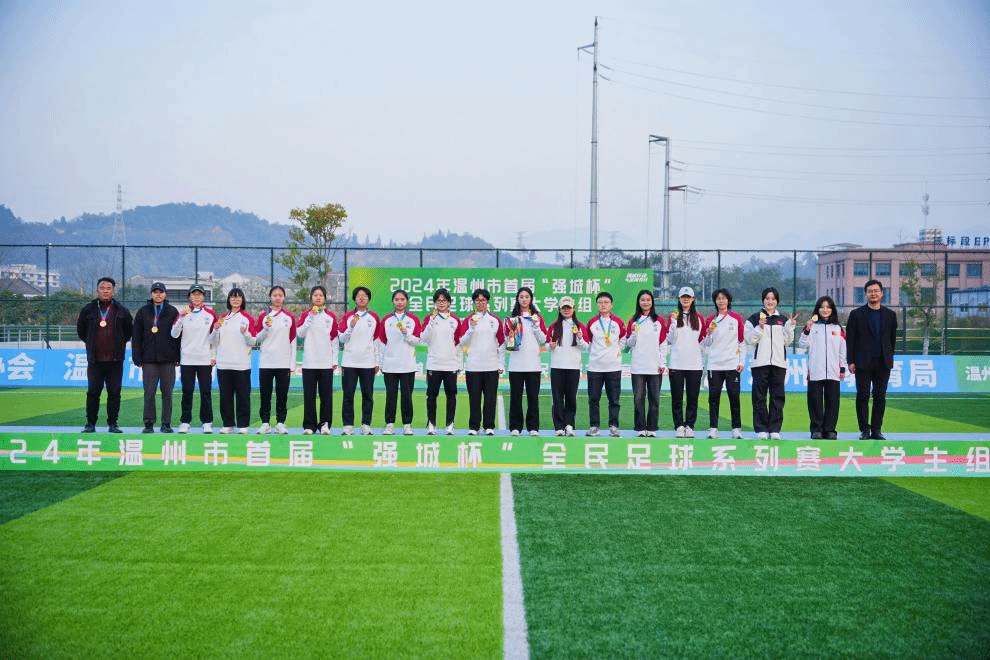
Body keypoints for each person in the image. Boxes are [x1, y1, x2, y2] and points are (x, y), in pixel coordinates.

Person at [76, 276, 133, 433]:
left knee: (114, 393)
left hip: (115, 360)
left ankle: (113, 424)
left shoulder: (122, 310)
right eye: (102, 288)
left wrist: (118, 344)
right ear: (97, 290)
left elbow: (128, 332)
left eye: (108, 288)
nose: (105, 291)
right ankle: (90, 423)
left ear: (113, 291)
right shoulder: (88, 309)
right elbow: (81, 331)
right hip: (95, 360)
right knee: (93, 392)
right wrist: (91, 343)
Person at [845, 279, 897, 440]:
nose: (873, 294)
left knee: (880, 396)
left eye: (876, 291)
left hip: (883, 362)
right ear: (866, 294)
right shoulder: (856, 314)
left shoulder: (890, 315)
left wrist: (889, 357)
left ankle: (876, 430)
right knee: (862, 396)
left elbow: (892, 339)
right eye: (870, 291)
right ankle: (864, 430)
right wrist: (850, 361)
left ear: (882, 293)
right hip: (862, 362)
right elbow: (850, 340)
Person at [745, 286, 797, 440]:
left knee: (777, 397)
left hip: (779, 364)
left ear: (777, 301)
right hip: (760, 364)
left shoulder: (783, 320)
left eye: (773, 299)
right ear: (763, 300)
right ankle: (761, 429)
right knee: (759, 397)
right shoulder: (753, 318)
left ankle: (774, 429)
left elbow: (787, 341)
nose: (770, 301)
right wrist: (760, 327)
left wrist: (790, 327)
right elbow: (749, 340)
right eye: (767, 299)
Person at [131, 281, 180, 433]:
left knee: (168, 393)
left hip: (168, 359)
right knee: (149, 392)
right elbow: (136, 335)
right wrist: (137, 357)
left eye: (161, 292)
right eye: (155, 292)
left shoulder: (172, 312)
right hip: (149, 359)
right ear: (151, 294)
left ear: (165, 294)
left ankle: (166, 423)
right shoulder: (143, 312)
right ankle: (149, 423)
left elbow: (178, 335)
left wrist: (178, 356)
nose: (158, 295)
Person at [171, 283, 218, 434]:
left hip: (204, 359)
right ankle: (185, 422)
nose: (197, 297)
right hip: (187, 359)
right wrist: (181, 318)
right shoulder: (183, 313)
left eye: (199, 294)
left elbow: (215, 338)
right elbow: (174, 334)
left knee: (206, 392)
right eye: (194, 294)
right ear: (189, 296)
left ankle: (207, 422)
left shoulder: (210, 314)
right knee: (187, 391)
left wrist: (213, 355)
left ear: (203, 296)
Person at [458, 288, 505, 436]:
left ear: (487, 302)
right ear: (473, 302)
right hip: (473, 366)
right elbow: (462, 342)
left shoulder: (495, 320)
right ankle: (474, 426)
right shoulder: (468, 320)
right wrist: (471, 328)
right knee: (474, 398)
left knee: (490, 398)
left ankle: (489, 426)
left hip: (491, 366)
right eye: (478, 300)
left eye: (483, 300)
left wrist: (501, 364)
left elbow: (502, 344)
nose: (480, 303)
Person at [800, 295, 846, 439]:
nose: (825, 310)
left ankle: (830, 430)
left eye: (828, 307)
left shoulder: (837, 328)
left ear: (832, 309)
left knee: (833, 401)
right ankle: (817, 429)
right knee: (815, 401)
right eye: (822, 307)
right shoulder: (812, 326)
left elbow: (842, 349)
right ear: (817, 309)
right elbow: (802, 344)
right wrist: (807, 330)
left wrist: (842, 367)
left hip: (833, 371)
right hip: (815, 370)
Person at [702, 288, 746, 439]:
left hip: (732, 364)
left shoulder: (736, 318)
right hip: (714, 365)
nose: (721, 301)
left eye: (723, 298)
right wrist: (709, 334)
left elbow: (741, 341)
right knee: (713, 398)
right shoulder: (711, 320)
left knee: (734, 397)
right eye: (718, 299)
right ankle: (713, 428)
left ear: (728, 300)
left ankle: (736, 429)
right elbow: (706, 344)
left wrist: (741, 361)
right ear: (715, 301)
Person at [211, 287, 256, 433]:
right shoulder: (222, 318)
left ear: (242, 300)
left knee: (243, 396)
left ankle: (243, 425)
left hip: (242, 365)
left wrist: (246, 333)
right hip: (224, 364)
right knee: (225, 396)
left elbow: (253, 341)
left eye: (238, 297)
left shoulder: (247, 318)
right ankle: (228, 424)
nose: (235, 300)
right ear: (229, 300)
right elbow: (213, 341)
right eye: (233, 297)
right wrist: (215, 330)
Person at [376, 289, 421, 435]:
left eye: (402, 299)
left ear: (406, 301)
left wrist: (406, 333)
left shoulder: (413, 319)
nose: (400, 302)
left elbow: (416, 341)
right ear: (393, 301)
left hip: (407, 365)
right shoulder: (387, 320)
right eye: (397, 299)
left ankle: (407, 424)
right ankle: (389, 424)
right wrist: (381, 363)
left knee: (407, 396)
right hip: (390, 365)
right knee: (391, 396)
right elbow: (382, 343)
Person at [296, 285, 339, 435]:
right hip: (309, 362)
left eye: (321, 295)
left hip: (326, 363)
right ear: (311, 298)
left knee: (326, 396)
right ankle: (309, 425)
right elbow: (300, 333)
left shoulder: (330, 316)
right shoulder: (305, 315)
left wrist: (334, 360)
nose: (318, 298)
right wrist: (310, 317)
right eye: (315, 295)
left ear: (325, 298)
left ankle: (325, 424)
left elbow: (334, 339)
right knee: (309, 395)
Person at [504, 287, 547, 437]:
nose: (524, 299)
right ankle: (515, 427)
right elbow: (507, 342)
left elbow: (543, 339)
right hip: (516, 364)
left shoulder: (537, 318)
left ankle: (533, 427)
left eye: (527, 297)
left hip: (533, 364)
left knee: (533, 397)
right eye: (521, 297)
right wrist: (510, 336)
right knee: (515, 397)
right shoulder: (512, 319)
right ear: (517, 299)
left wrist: (536, 325)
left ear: (531, 299)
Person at [582, 291, 626, 437]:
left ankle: (613, 426)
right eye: (600, 302)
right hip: (595, 367)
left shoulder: (618, 322)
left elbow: (624, 338)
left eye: (606, 302)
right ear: (597, 305)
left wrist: (617, 350)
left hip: (613, 366)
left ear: (611, 305)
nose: (603, 305)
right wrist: (595, 353)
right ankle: (594, 427)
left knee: (614, 399)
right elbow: (588, 342)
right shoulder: (592, 323)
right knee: (593, 399)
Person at [339, 286, 381, 436]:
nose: (361, 298)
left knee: (368, 396)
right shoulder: (348, 317)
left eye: (364, 296)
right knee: (348, 396)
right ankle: (348, 425)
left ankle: (366, 425)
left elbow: (376, 341)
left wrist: (377, 362)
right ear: (354, 299)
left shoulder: (374, 317)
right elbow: (341, 338)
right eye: (358, 296)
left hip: (368, 363)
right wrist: (350, 327)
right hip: (349, 362)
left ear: (368, 299)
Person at [253, 285, 296, 435]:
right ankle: (265, 423)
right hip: (266, 362)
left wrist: (292, 364)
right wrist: (265, 328)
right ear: (270, 297)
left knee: (282, 395)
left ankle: (280, 423)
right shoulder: (263, 317)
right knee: (265, 394)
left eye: (280, 295)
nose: (277, 298)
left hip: (283, 363)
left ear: (284, 298)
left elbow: (293, 341)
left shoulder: (289, 317)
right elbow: (257, 338)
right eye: (275, 295)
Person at [625, 289, 668, 437]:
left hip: (654, 367)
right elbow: (629, 344)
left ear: (652, 302)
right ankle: (640, 428)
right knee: (638, 399)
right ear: (639, 302)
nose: (645, 302)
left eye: (648, 300)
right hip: (638, 366)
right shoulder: (633, 320)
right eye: (642, 300)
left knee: (654, 399)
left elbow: (663, 343)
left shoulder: (659, 320)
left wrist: (662, 363)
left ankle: (652, 428)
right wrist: (633, 333)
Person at [667, 286, 707, 438]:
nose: (686, 299)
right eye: (683, 297)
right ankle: (678, 426)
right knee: (676, 397)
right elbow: (670, 339)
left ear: (693, 299)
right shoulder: (673, 316)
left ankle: (690, 425)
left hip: (694, 364)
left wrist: (709, 335)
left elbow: (703, 341)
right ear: (679, 299)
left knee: (692, 398)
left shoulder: (699, 318)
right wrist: (673, 323)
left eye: (688, 297)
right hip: (676, 363)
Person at [420, 288, 461, 435]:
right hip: (434, 364)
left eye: (444, 300)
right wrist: (431, 322)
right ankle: (431, 424)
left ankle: (450, 424)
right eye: (438, 301)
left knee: (451, 395)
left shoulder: (455, 320)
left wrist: (458, 364)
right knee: (432, 395)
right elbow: (423, 339)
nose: (441, 303)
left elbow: (458, 343)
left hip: (450, 364)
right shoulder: (429, 318)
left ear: (449, 302)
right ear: (435, 303)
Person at [546, 297, 587, 436]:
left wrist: (579, 337)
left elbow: (585, 346)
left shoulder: (579, 326)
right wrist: (550, 346)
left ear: (573, 309)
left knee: (571, 397)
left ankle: (569, 425)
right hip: (557, 366)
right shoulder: (554, 326)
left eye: (568, 308)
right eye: (564, 308)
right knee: (557, 397)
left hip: (573, 367)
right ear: (559, 310)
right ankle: (558, 426)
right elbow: (547, 344)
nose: (566, 310)